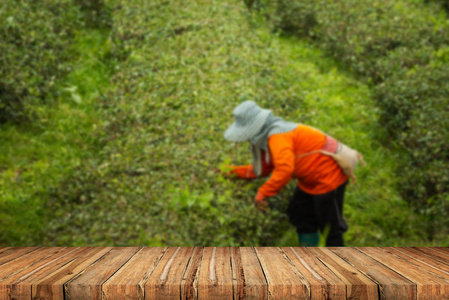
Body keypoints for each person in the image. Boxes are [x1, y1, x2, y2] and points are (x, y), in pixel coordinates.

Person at [222, 100, 364, 247]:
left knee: (330, 227)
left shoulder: (277, 136)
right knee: (299, 212)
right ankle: (310, 255)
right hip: (310, 179)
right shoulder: (270, 136)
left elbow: (284, 169)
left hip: (329, 177)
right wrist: (230, 171)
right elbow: (264, 168)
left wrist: (264, 192)